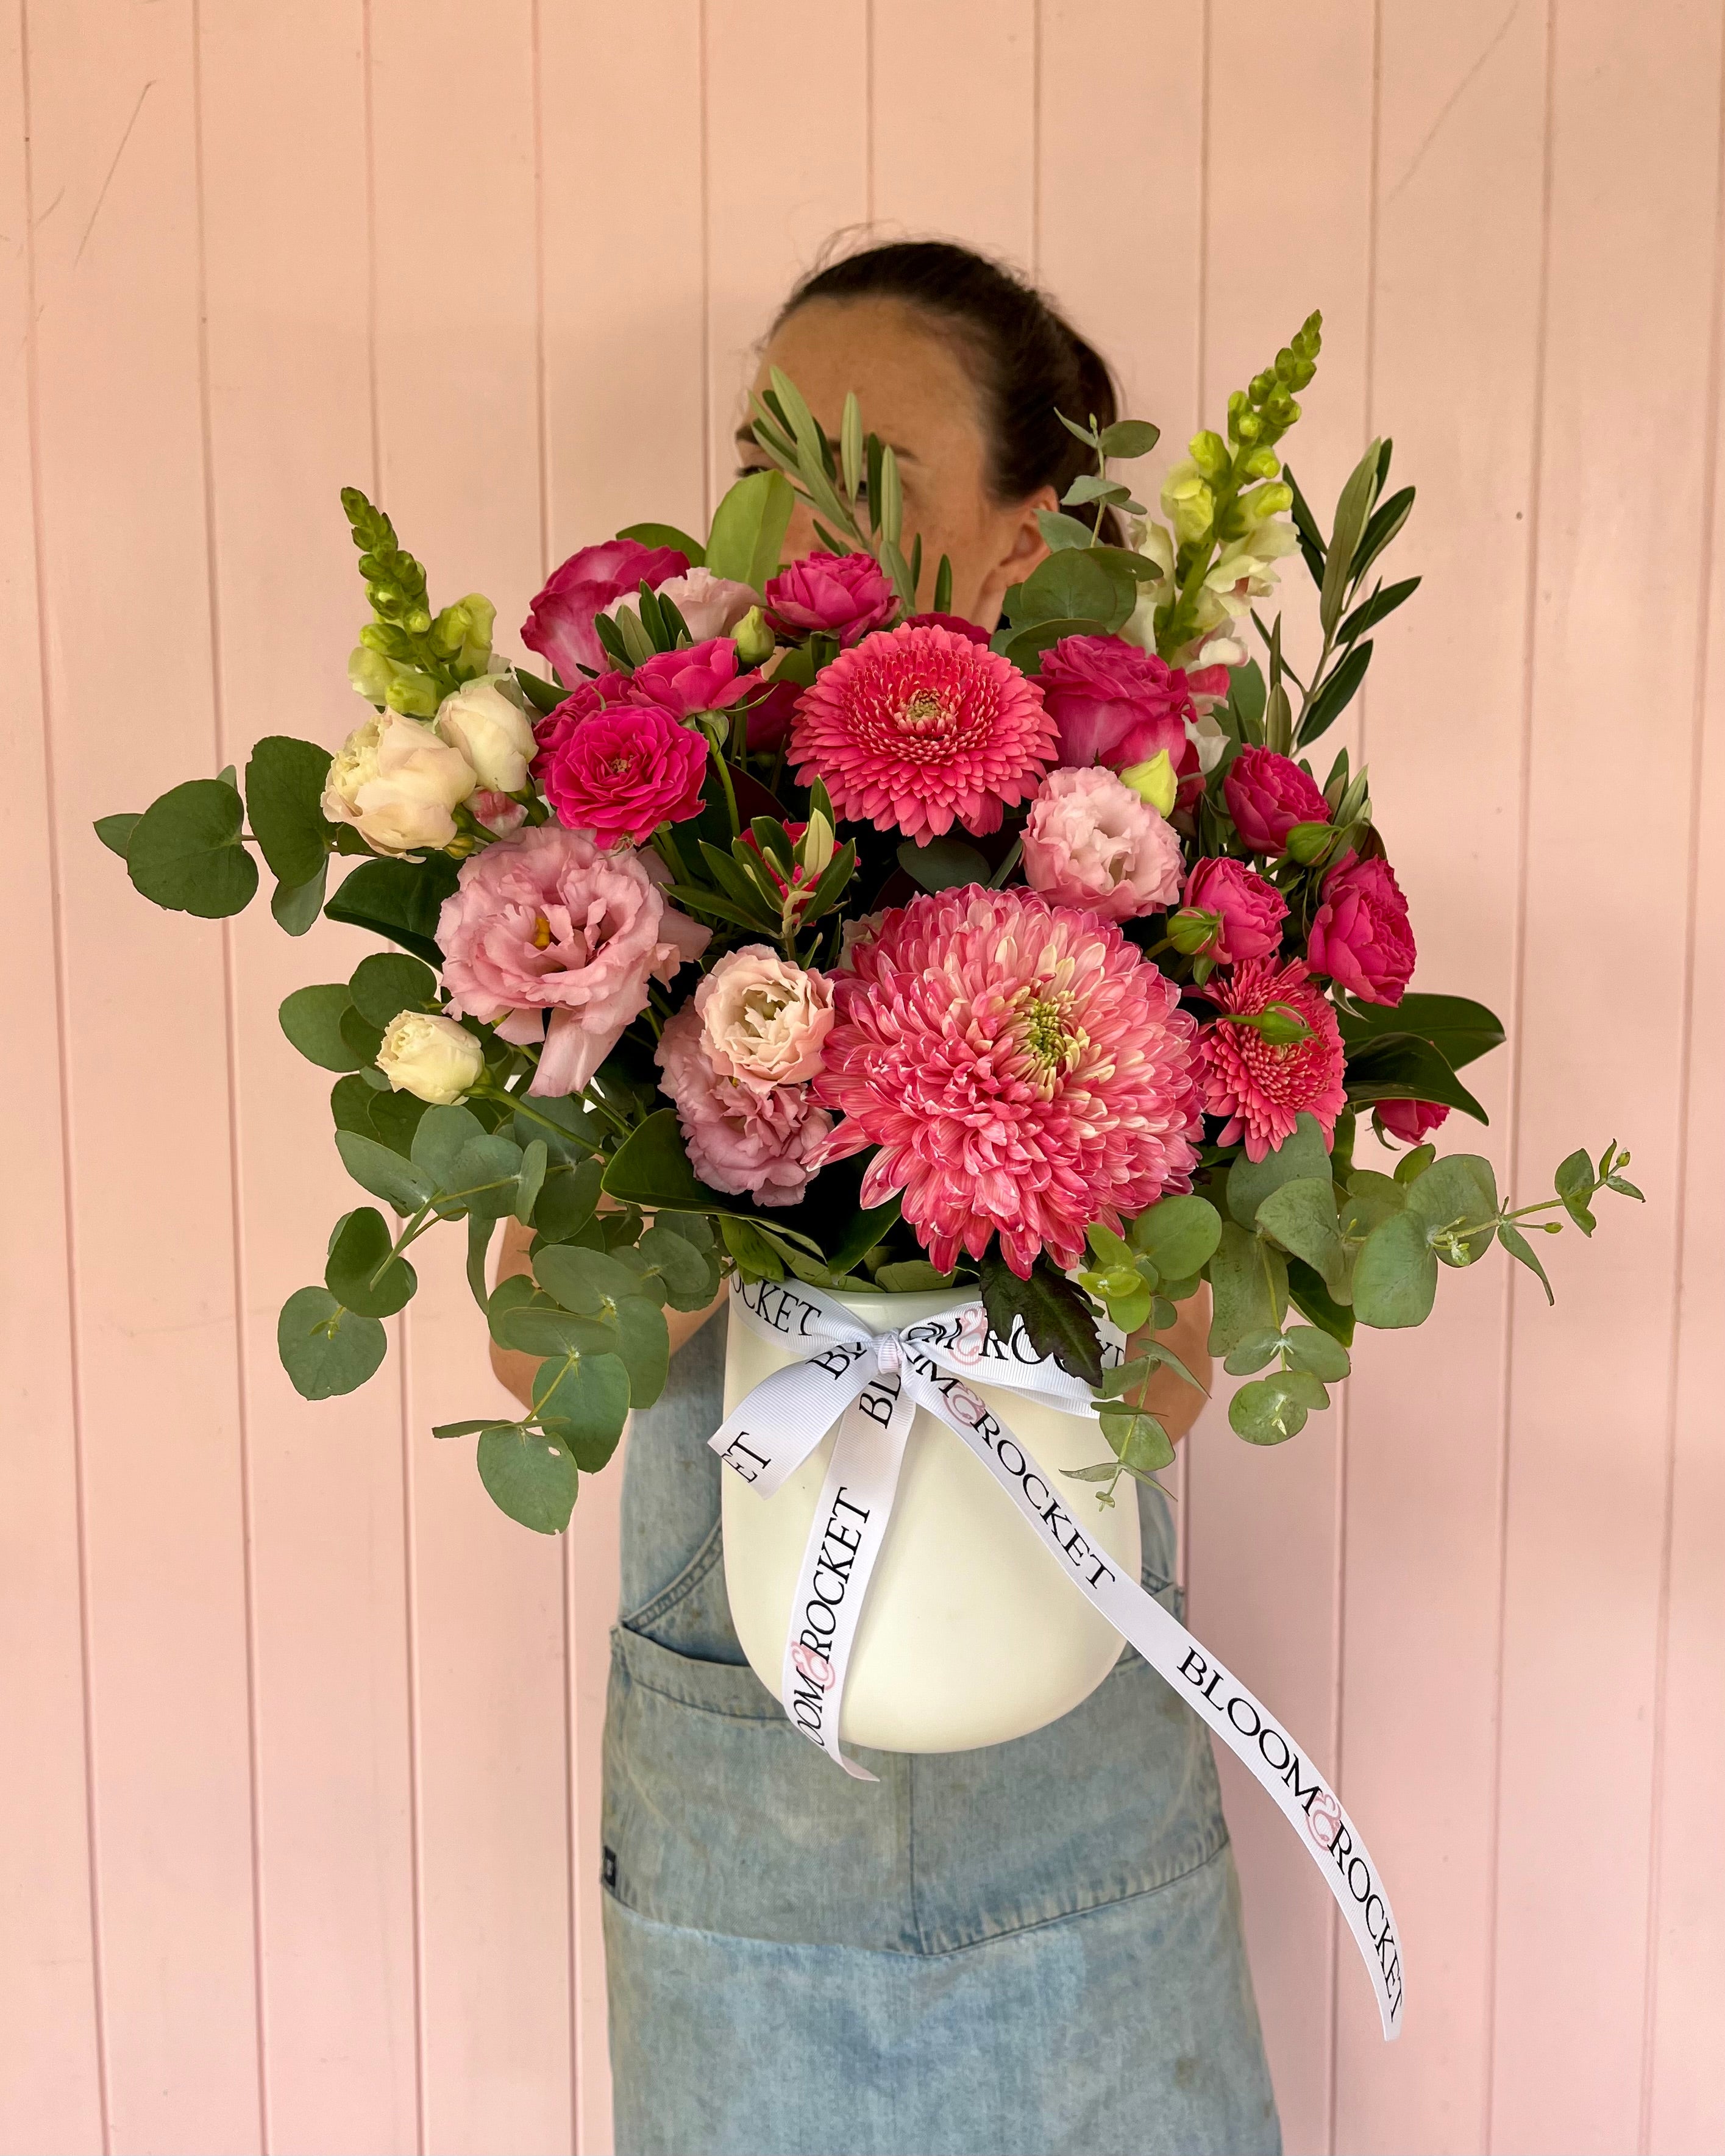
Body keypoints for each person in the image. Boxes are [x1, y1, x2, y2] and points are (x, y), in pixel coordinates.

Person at [496, 240, 1279, 2156]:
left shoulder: (1152, 875)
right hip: (741, 1837)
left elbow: (1168, 1375)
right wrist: (718, 1143)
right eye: (766, 451)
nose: (793, 515)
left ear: (1025, 539)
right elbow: (539, 1366)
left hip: (1074, 1822)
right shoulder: (641, 863)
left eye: (871, 461)